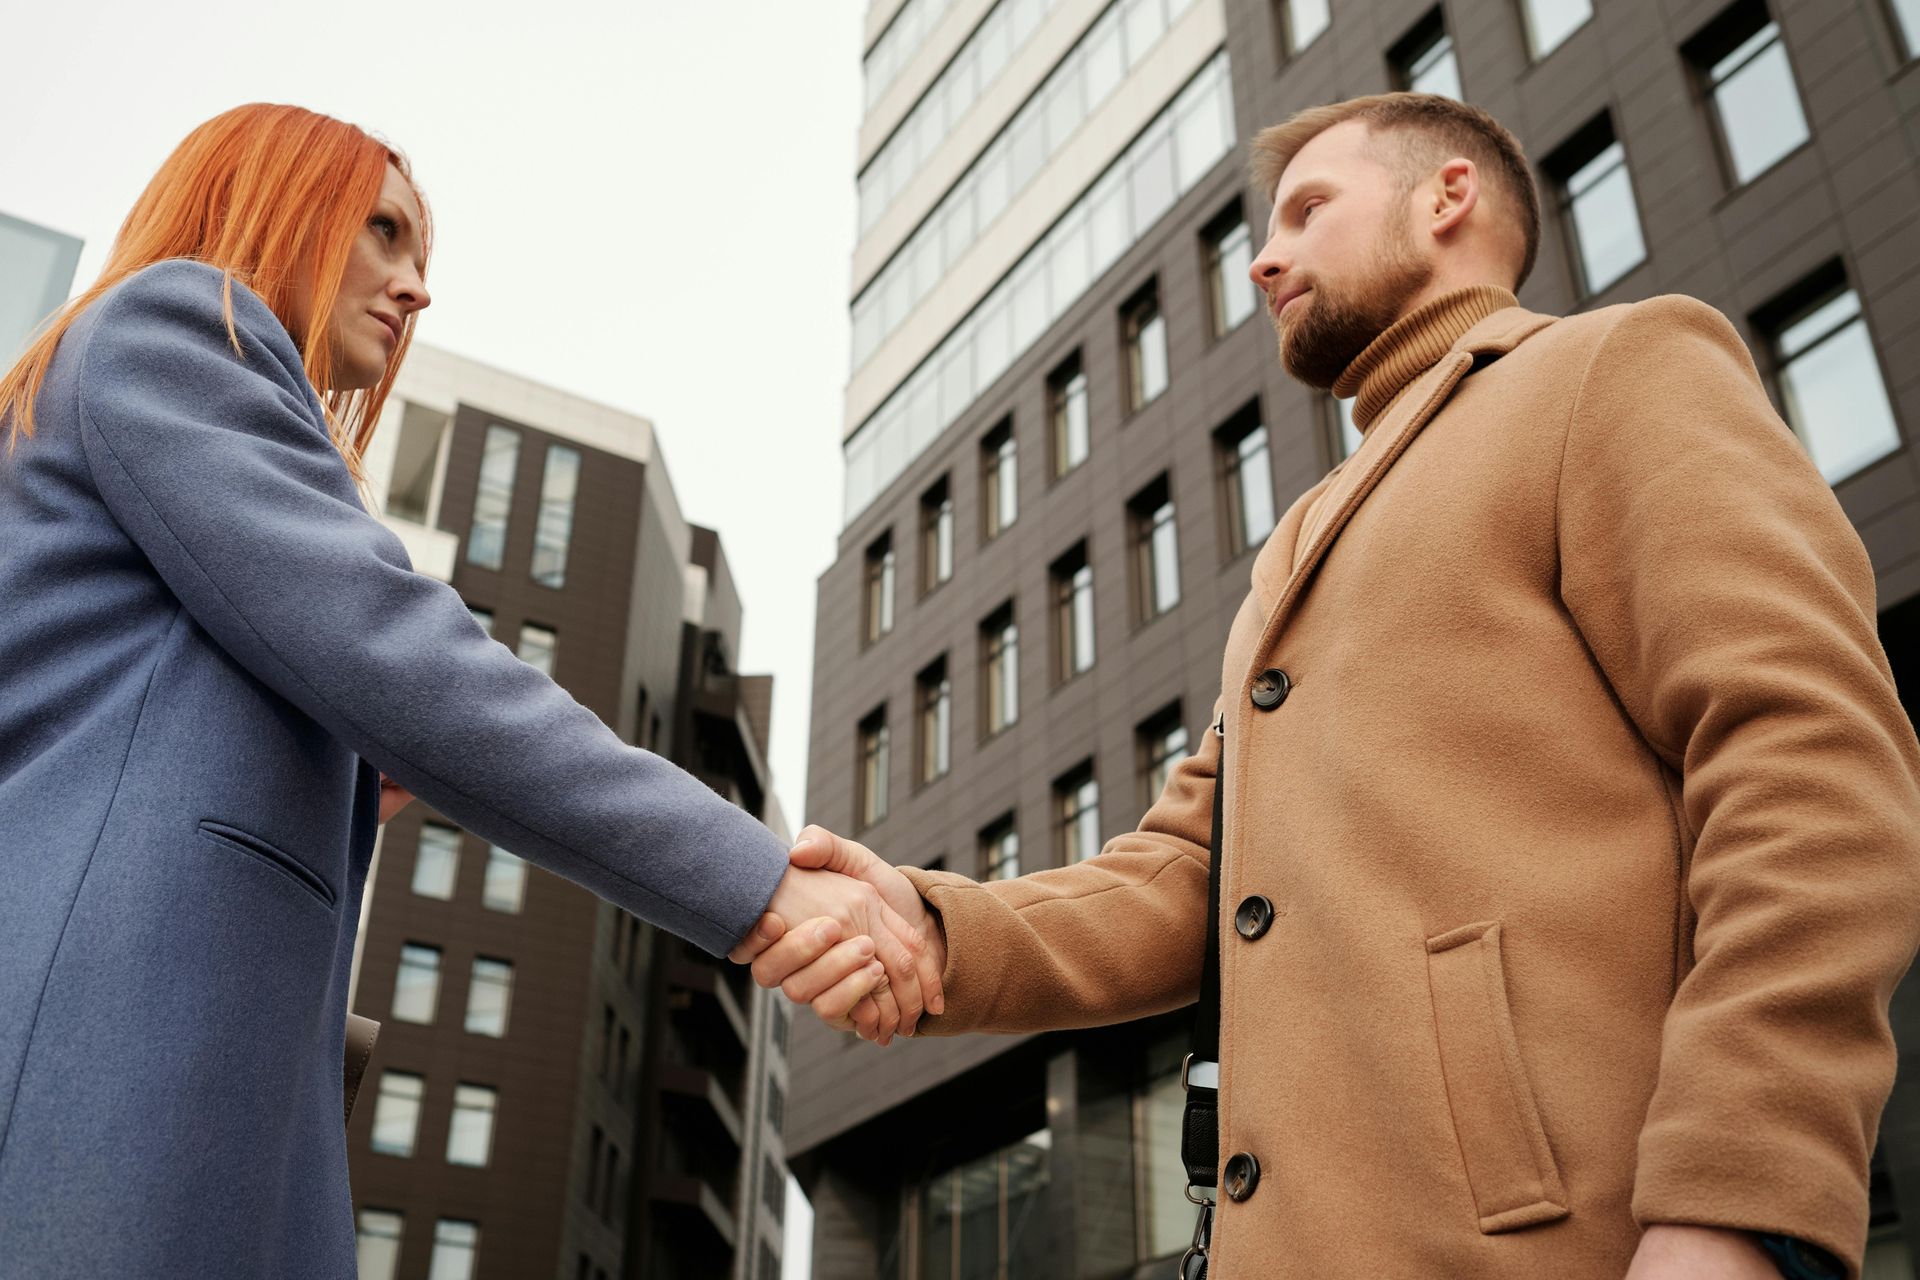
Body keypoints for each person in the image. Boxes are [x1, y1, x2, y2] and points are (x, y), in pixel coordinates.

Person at [736, 93, 1920, 1279]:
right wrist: (934, 928)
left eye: (1308, 209)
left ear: (1448, 195)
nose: (1263, 257)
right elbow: (1188, 872)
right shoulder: (1299, 543)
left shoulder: (1615, 367)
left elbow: (1812, 760)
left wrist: (1735, 1200)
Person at [0, 103, 931, 1278]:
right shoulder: (176, 323)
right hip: (108, 1079)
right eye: (381, 231)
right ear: (267, 203)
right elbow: (400, 652)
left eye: (420, 253)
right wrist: (757, 883)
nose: (415, 286)